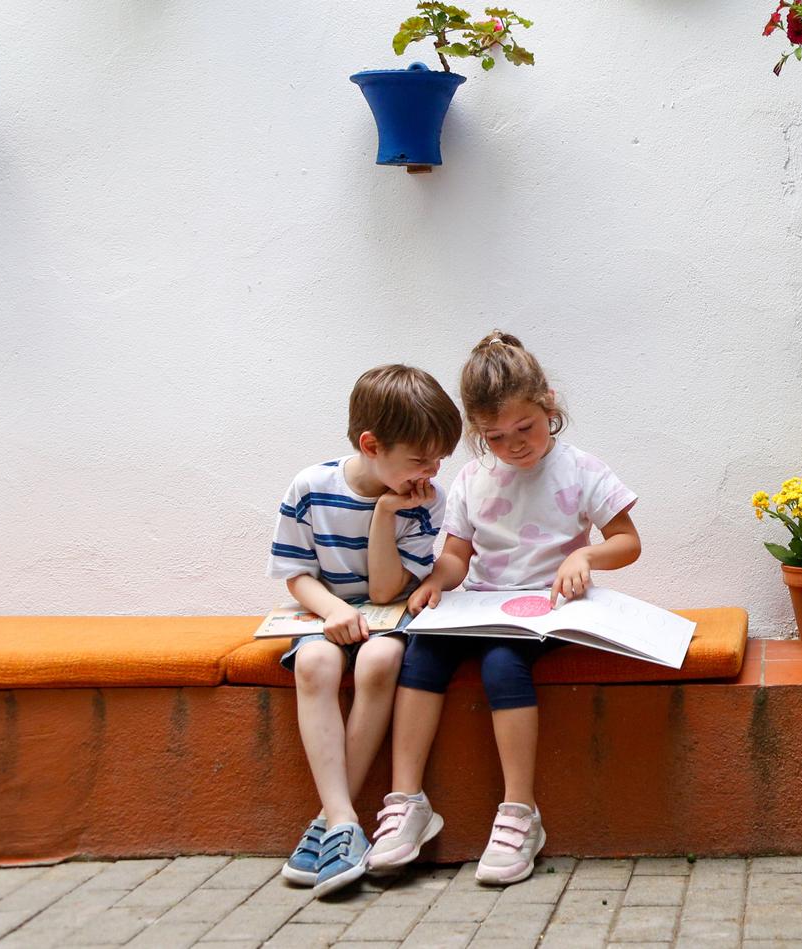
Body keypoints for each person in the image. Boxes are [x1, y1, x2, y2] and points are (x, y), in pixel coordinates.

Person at [367, 332, 642, 886]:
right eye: (495, 437)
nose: (515, 446)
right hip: (481, 603)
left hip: (549, 608)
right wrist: (434, 583)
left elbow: (627, 542)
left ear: (549, 405)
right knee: (422, 652)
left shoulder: (581, 470)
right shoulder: (473, 478)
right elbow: (456, 556)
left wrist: (585, 555)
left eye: (526, 428)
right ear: (476, 432)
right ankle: (407, 801)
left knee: (500, 663)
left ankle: (519, 812)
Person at [268, 365, 459, 897]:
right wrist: (332, 610)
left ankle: (332, 824)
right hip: (324, 611)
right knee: (314, 662)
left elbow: (385, 591)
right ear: (372, 445)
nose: (432, 471)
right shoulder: (311, 486)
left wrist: (385, 513)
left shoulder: (424, 498)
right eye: (420, 459)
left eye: (439, 459)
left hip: (386, 615)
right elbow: (296, 574)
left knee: (380, 660)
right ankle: (342, 820)